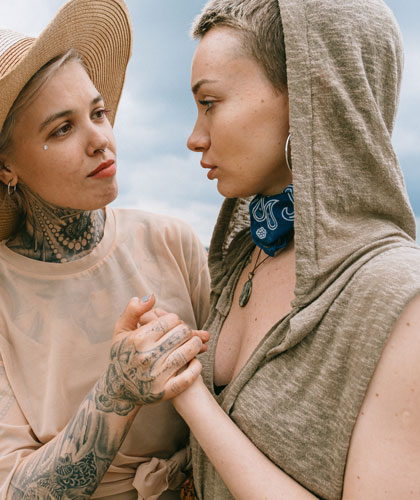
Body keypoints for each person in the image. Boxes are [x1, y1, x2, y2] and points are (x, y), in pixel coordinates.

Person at [0, 1, 210, 499]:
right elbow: (11, 493)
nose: (101, 140)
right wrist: (115, 393)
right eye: (62, 129)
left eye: (98, 113)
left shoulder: (173, 242)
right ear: (4, 168)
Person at [172, 0, 420, 499]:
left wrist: (187, 393)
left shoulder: (399, 299)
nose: (194, 137)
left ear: (312, 95)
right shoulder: (246, 256)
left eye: (211, 102)